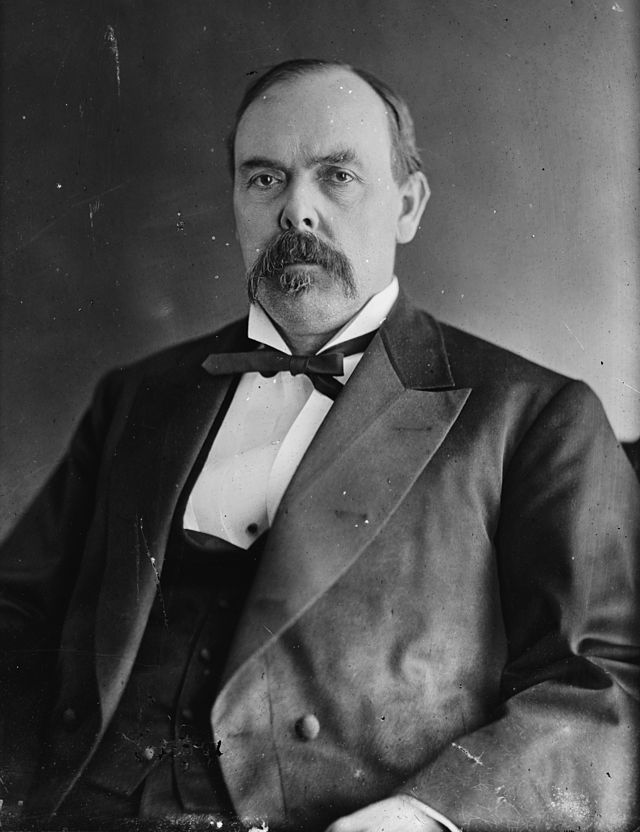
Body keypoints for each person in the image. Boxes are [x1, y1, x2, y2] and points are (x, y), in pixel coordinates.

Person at [1, 58, 638, 832]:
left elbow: (607, 689)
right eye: (264, 179)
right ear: (236, 202)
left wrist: (425, 817)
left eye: (337, 176)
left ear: (408, 204)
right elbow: (16, 615)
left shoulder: (532, 416)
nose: (296, 212)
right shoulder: (138, 396)